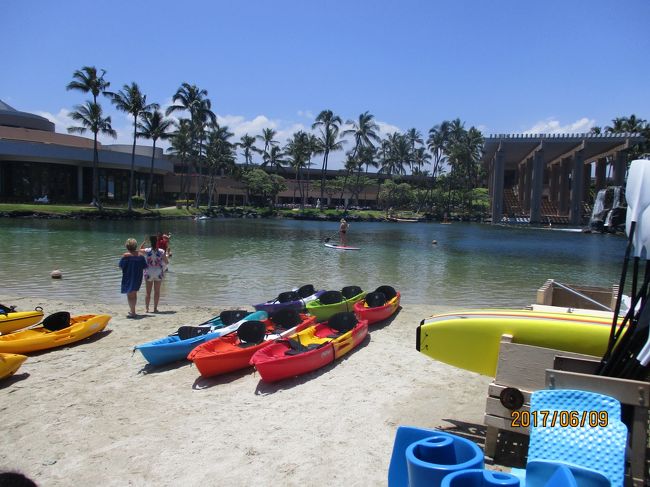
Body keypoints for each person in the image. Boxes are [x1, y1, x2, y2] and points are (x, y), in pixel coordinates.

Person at [119, 238, 147, 318]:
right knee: (134, 293)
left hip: (128, 276)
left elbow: (121, 266)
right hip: (137, 277)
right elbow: (144, 266)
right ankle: (133, 310)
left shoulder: (125, 256)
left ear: (127, 246)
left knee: (129, 294)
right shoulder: (141, 256)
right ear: (135, 246)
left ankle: (133, 312)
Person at [140, 235, 169, 313]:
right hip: (158, 273)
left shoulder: (147, 250)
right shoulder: (161, 251)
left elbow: (139, 250)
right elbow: (167, 262)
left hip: (148, 272)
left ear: (150, 242)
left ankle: (147, 309)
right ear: (157, 242)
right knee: (157, 292)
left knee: (148, 292)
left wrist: (144, 242)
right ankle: (155, 308)